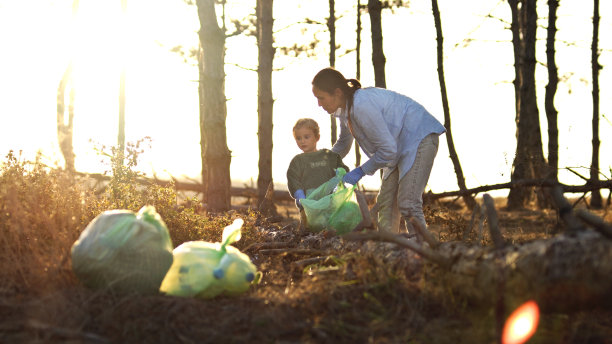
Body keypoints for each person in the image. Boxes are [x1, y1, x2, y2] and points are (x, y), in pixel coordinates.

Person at [311, 67, 446, 236]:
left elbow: (388, 151)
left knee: (408, 202)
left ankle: (423, 252)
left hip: (419, 137)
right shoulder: (343, 110)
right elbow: (344, 143)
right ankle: (389, 251)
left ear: (337, 93)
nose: (319, 104)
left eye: (321, 98)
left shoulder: (361, 105)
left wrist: (361, 171)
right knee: (386, 202)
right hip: (397, 146)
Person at [286, 118, 349, 210]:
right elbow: (293, 179)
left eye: (306, 137)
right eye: (298, 138)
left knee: (334, 222)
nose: (302, 141)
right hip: (309, 202)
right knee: (312, 224)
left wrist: (341, 173)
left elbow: (342, 169)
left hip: (330, 200)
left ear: (317, 137)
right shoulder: (297, 161)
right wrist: (299, 195)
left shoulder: (329, 156)